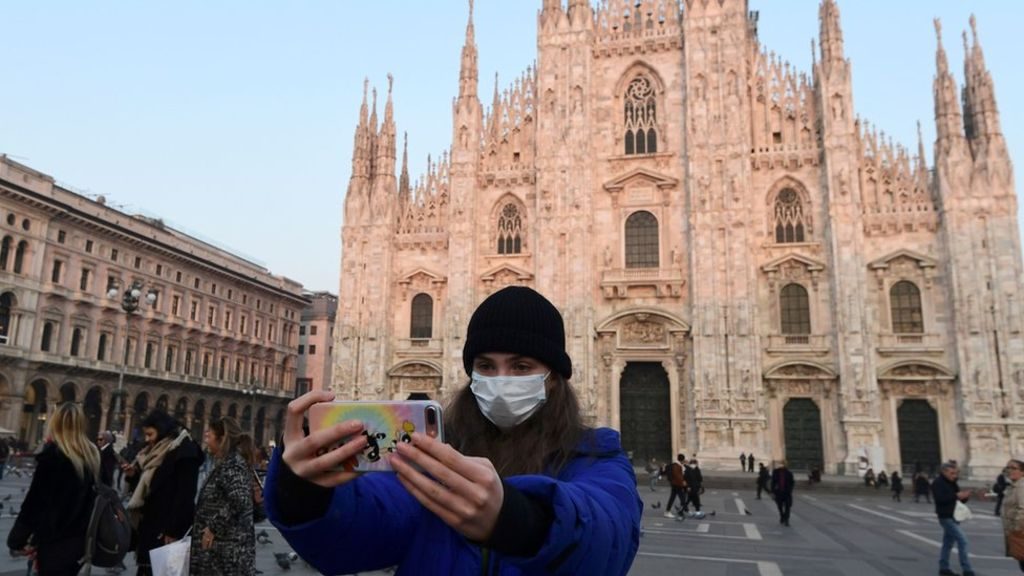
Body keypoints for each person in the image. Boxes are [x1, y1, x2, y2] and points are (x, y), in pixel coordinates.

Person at [265, 286, 642, 575]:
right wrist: (303, 492)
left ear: (554, 380)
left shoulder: (595, 456)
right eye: (486, 366)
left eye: (522, 366)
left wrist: (521, 520)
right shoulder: (435, 456)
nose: (501, 379)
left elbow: (608, 535)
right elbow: (363, 526)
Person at [7, 402, 100, 575]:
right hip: (79, 543)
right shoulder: (91, 458)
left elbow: (34, 503)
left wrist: (17, 539)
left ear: (55, 424)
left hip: (53, 542)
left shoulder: (53, 458)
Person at [122, 410, 204, 576]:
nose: (147, 439)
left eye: (150, 434)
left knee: (163, 571)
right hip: (151, 525)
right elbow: (152, 487)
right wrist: (134, 476)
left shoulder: (184, 451)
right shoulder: (156, 452)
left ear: (162, 429)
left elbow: (185, 496)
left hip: (167, 529)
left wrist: (173, 530)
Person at [190, 418, 255, 576]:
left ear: (222, 439)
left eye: (209, 435)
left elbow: (240, 499)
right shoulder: (227, 462)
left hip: (227, 553)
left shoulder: (232, 464)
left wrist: (213, 527)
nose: (206, 439)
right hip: (221, 551)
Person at [932, 461, 975, 576]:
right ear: (944, 472)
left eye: (956, 473)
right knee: (963, 541)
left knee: (948, 543)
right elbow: (940, 499)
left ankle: (943, 568)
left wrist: (965, 496)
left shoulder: (952, 483)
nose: (954, 476)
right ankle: (967, 570)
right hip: (945, 516)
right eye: (952, 473)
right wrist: (957, 495)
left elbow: (958, 499)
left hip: (954, 515)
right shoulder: (938, 483)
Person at [1001, 459, 1024, 571]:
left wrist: (1015, 530)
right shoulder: (1012, 486)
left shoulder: (1021, 486)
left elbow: (1023, 509)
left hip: (1020, 533)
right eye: (1008, 468)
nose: (1009, 470)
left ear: (1022, 472)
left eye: (1013, 468)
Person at [771, 460, 795, 527]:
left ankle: (787, 520)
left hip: (787, 493)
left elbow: (792, 482)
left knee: (787, 506)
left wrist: (790, 490)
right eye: (781, 464)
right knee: (780, 506)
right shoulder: (775, 472)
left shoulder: (789, 473)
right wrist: (772, 492)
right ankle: (782, 515)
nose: (782, 465)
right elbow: (773, 482)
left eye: (783, 464)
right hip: (778, 492)